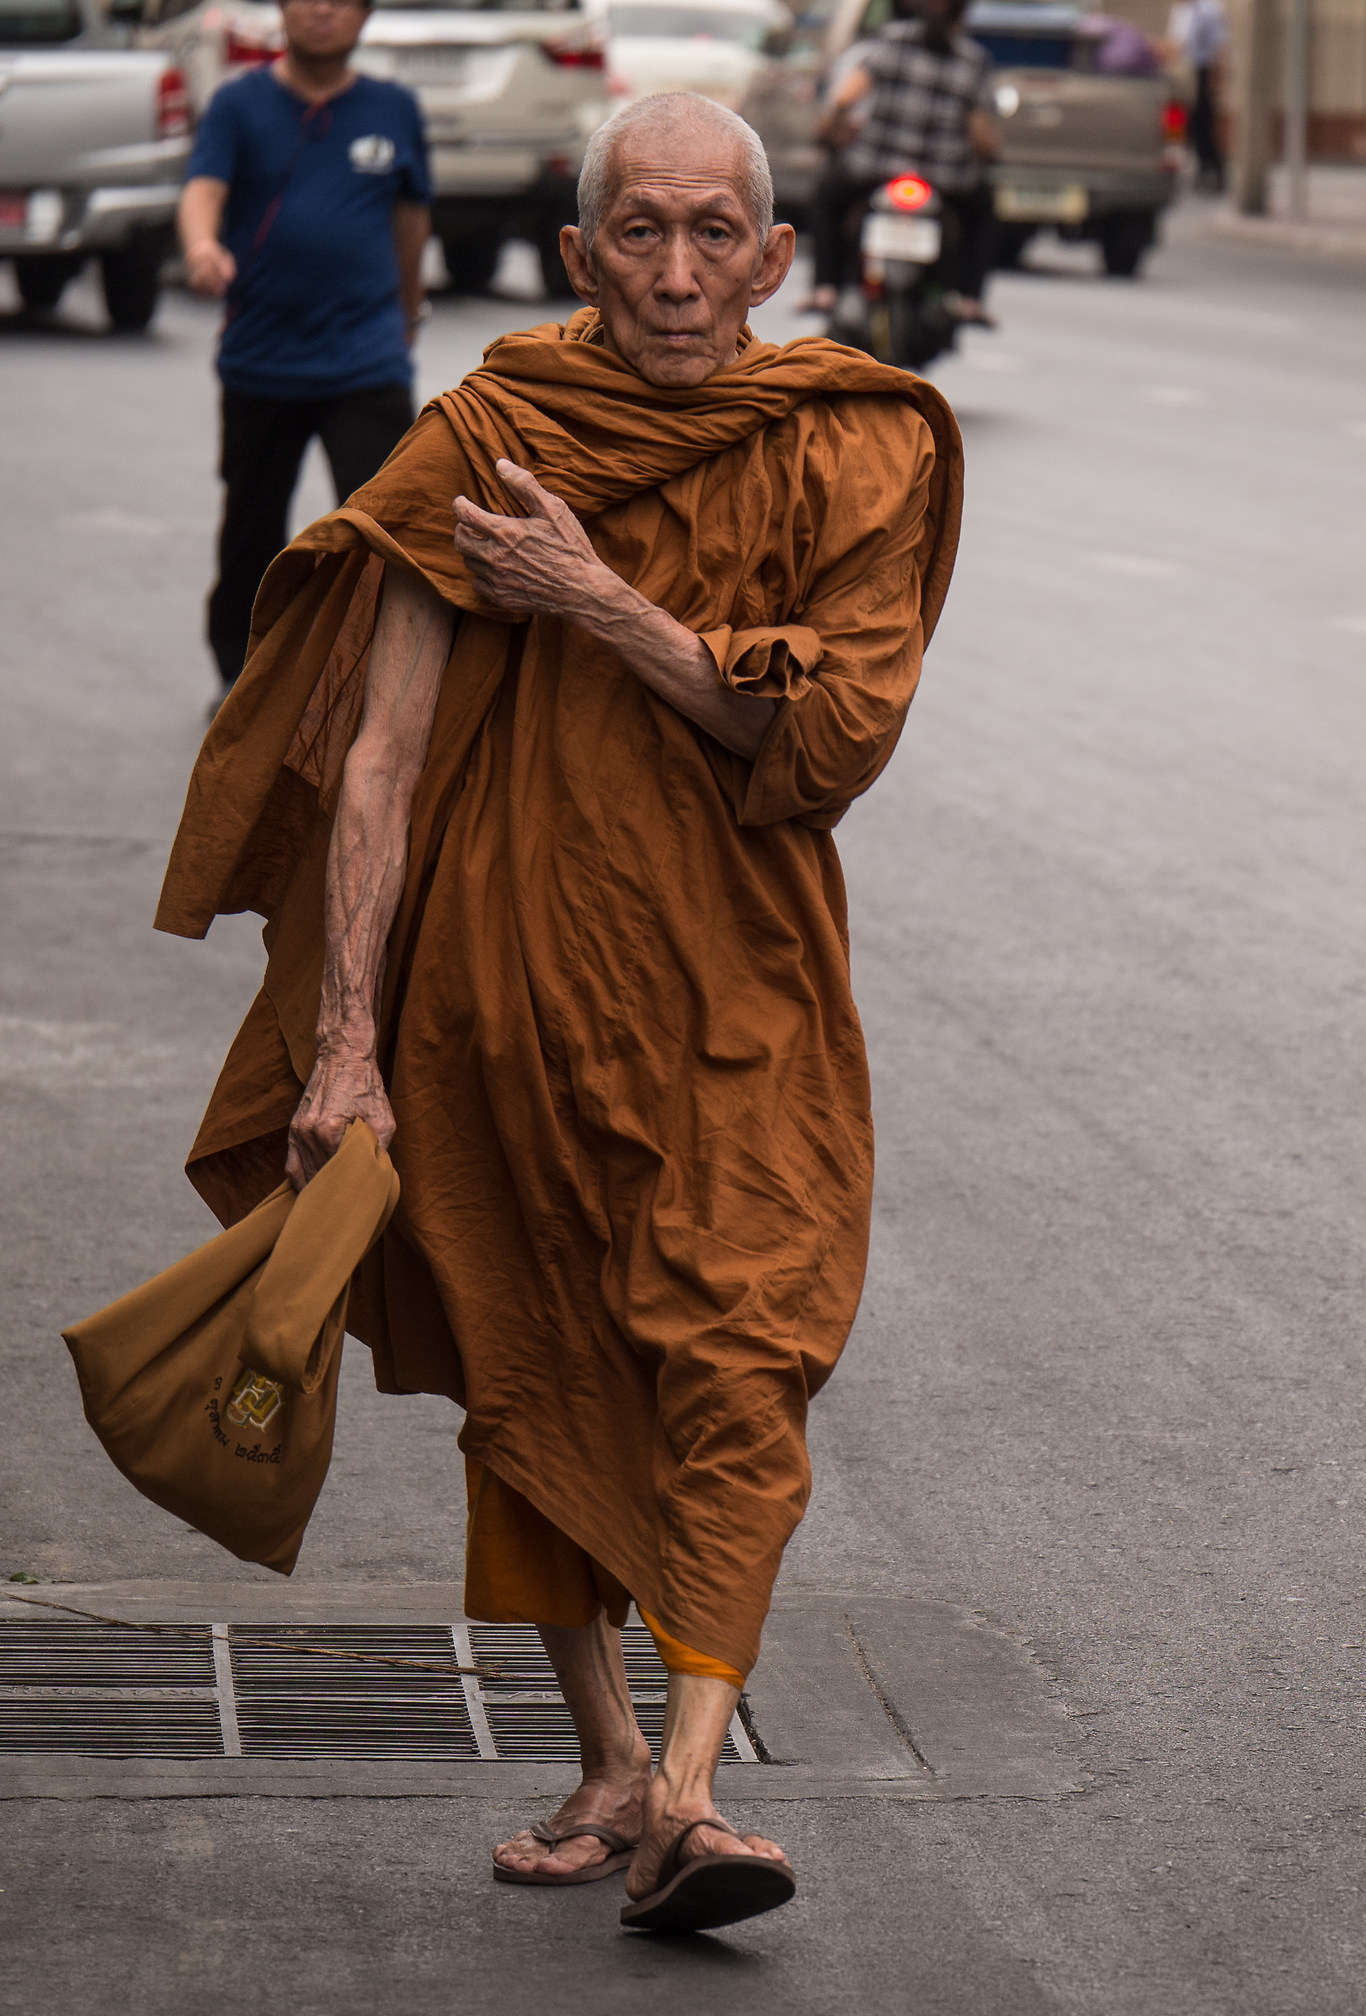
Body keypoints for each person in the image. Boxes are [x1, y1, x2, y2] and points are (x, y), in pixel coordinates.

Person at [153, 90, 963, 1934]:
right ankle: (620, 1759)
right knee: (529, 1356)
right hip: (492, 997)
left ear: (774, 258)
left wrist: (599, 601)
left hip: (741, 986)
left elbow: (828, 736)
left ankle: (692, 1788)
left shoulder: (853, 447)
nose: (677, 274)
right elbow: (378, 761)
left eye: (713, 235)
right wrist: (346, 1037)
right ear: (580, 251)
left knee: (748, 1339)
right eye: (640, 233)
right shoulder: (496, 432)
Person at [178, 0, 430, 695]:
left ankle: (384, 682)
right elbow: (203, 188)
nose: (322, 9)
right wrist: (201, 247)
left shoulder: (394, 109)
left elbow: (411, 220)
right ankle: (242, 675)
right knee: (252, 530)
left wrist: (410, 315)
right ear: (283, 10)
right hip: (262, 359)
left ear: (364, 15)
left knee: (387, 529)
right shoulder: (240, 105)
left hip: (367, 359)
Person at [805, 0, 999, 322]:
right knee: (983, 212)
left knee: (827, 199)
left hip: (872, 170)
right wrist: (989, 152)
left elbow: (844, 99)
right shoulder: (972, 59)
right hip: (946, 180)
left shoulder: (890, 43)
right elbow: (981, 136)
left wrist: (831, 128)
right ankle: (969, 298)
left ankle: (826, 288)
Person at [1168, 0, 1229, 193]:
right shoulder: (1179, 12)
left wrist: (1216, 83)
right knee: (1183, 124)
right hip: (1183, 71)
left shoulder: (1210, 10)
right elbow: (1176, 44)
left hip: (1202, 72)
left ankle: (1216, 172)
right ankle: (1198, 171)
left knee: (1204, 126)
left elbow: (1218, 49)